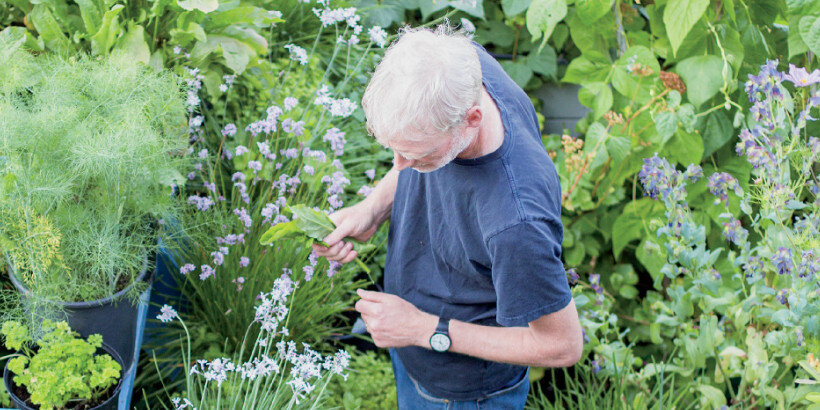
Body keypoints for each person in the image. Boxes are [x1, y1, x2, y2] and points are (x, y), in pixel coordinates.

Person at [313, 24, 583, 409]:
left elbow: (562, 346)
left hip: (464, 391)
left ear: (471, 120)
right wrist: (371, 209)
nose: (399, 166)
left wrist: (424, 329)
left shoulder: (516, 223)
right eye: (395, 149)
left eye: (417, 156)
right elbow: (411, 157)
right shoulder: (455, 65)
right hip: (410, 339)